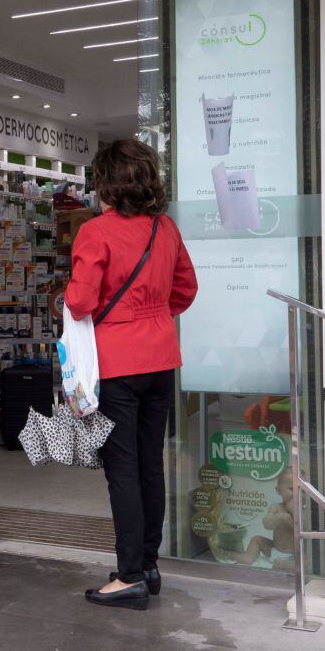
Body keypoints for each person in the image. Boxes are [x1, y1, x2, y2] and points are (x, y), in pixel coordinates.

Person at [65, 139, 198, 610]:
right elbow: (186, 289)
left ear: (106, 181)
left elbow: (80, 301)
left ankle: (128, 576)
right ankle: (148, 563)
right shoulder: (166, 228)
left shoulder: (96, 232)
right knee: (148, 466)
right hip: (161, 358)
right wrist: (153, 316)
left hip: (116, 365)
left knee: (121, 470)